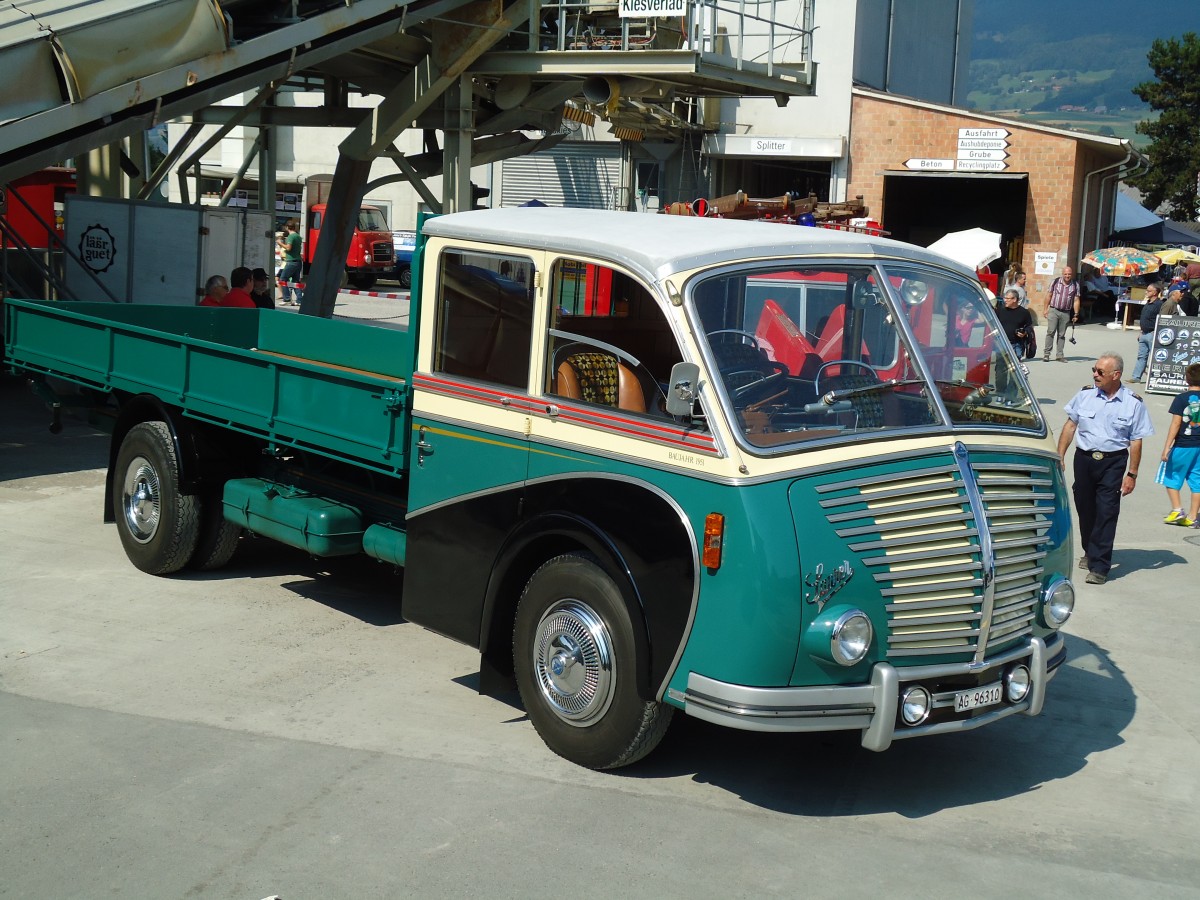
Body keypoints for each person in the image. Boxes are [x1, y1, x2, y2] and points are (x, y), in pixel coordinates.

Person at [1057, 352, 1154, 584]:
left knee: (1107, 510)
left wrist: (1132, 473)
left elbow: (1136, 441)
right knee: (1085, 507)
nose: (1095, 375)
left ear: (1116, 375)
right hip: (1084, 459)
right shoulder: (1085, 395)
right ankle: (1090, 549)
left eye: (1100, 372)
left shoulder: (1133, 403)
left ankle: (1100, 566)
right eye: (1094, 369)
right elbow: (1070, 426)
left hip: (1113, 462)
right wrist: (1059, 456)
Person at [1160, 362, 1200, 528]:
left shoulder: (1181, 399)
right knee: (1197, 481)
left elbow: (1176, 424)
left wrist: (1167, 446)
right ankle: (1193, 516)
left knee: (1170, 476)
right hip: (1199, 446)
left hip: (1183, 444)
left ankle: (1177, 509)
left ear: (1187, 379)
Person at [1127, 282, 1165, 383]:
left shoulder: (1159, 304)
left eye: (1149, 291)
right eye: (1146, 290)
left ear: (1155, 292)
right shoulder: (1148, 302)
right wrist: (1141, 331)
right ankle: (1136, 377)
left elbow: (1161, 320)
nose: (1146, 292)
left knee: (1155, 357)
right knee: (1141, 356)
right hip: (1144, 333)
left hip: (1152, 333)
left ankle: (1155, 378)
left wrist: (1155, 332)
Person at [1041, 265, 1080, 362]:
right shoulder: (1055, 282)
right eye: (1065, 274)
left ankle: (1059, 355)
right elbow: (1048, 296)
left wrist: (1076, 314)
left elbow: (1076, 300)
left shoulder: (1075, 285)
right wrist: (1045, 309)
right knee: (1050, 332)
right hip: (1054, 310)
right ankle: (1046, 354)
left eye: (1069, 274)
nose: (1067, 276)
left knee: (1061, 335)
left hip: (1066, 312)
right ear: (1062, 274)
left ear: (1072, 274)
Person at [995, 288, 1034, 357]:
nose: (1005, 300)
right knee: (1000, 366)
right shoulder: (1000, 310)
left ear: (1014, 299)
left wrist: (1024, 332)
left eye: (1007, 298)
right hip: (1001, 344)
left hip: (1017, 345)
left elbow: (1029, 327)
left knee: (1015, 367)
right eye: (1005, 298)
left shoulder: (1024, 313)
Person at [277, 220, 303, 306]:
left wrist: (280, 243)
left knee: (282, 279)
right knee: (296, 281)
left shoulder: (291, 237)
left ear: (287, 227)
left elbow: (288, 248)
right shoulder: (298, 236)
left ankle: (287, 298)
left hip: (291, 261)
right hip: (298, 261)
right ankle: (299, 300)